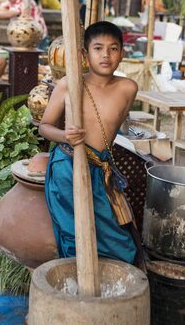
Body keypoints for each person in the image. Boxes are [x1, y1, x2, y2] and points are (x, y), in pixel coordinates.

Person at [39, 21, 138, 265]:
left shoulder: (127, 88)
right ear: (85, 54)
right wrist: (65, 136)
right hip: (68, 166)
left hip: (100, 170)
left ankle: (111, 290)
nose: (106, 55)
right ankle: (76, 291)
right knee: (76, 237)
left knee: (120, 245)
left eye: (113, 48)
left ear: (122, 54)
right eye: (98, 48)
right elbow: (44, 127)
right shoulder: (68, 85)